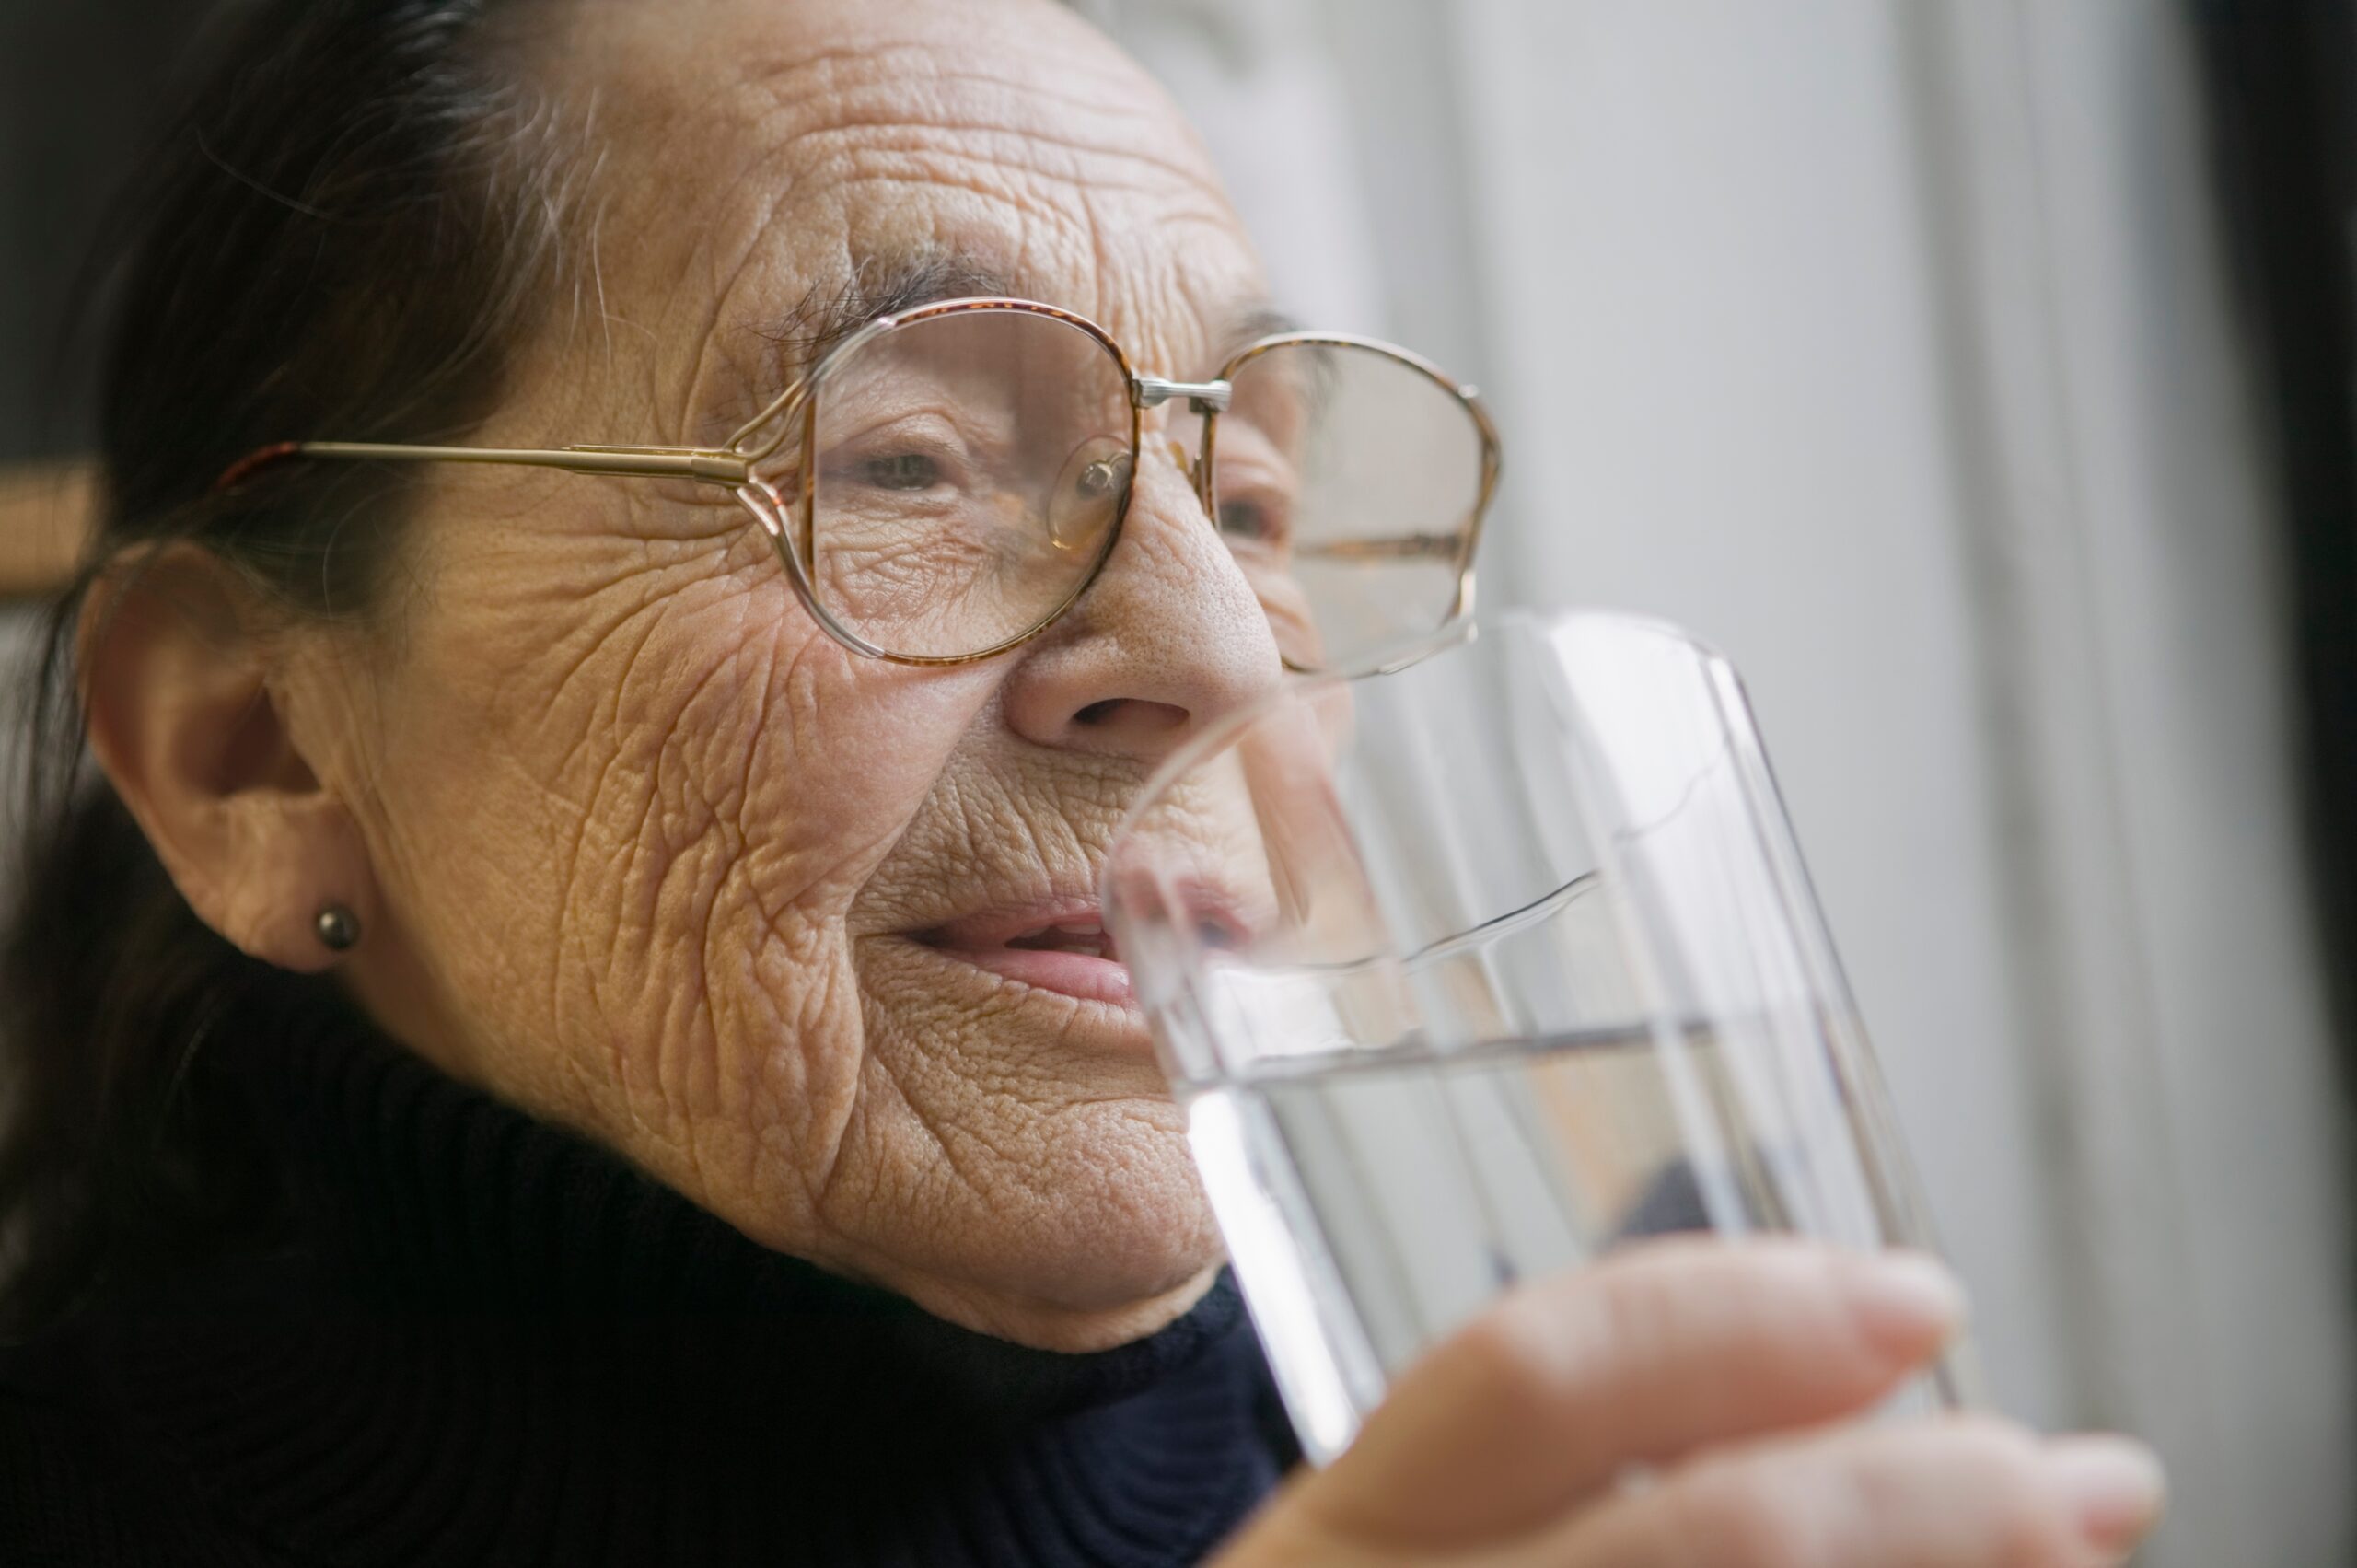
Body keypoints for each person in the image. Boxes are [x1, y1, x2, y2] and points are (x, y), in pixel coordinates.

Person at [0, 0, 2165, 1562]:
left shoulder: (1583, 1464)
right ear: (253, 752)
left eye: (1240, 499)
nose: (1223, 658)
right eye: (908, 460)